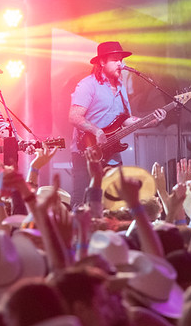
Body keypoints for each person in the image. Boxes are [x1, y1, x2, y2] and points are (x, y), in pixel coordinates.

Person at [68, 41, 166, 207]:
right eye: (115, 60)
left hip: (112, 157)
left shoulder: (120, 88)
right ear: (102, 62)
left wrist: (151, 120)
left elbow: (125, 120)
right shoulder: (87, 85)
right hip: (87, 152)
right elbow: (74, 117)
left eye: (121, 60)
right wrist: (97, 131)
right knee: (82, 203)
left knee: (115, 204)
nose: (120, 64)